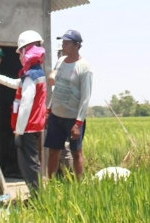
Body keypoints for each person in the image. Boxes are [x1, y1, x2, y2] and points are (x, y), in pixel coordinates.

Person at [45, 29, 93, 179]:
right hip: (56, 115)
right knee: (53, 152)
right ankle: (51, 185)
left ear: (77, 45)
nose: (63, 45)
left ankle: (80, 186)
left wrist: (78, 123)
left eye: (67, 42)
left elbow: (85, 97)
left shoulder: (84, 68)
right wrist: (48, 111)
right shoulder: (60, 62)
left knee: (76, 152)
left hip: (73, 118)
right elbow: (57, 88)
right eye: (63, 42)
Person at [11, 30, 48, 194]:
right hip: (34, 126)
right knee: (31, 162)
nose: (19, 57)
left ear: (26, 52)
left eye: (20, 53)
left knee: (29, 164)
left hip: (27, 127)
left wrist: (18, 132)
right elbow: (16, 84)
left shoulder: (30, 76)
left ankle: (37, 197)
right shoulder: (37, 74)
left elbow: (25, 105)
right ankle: (37, 195)